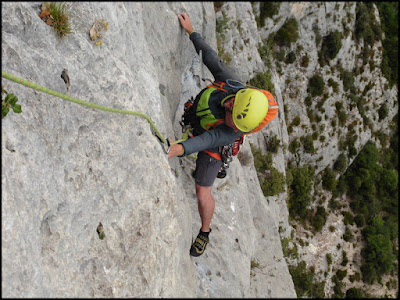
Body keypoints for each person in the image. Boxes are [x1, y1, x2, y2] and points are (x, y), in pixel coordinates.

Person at [169, 12, 278, 257]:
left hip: (212, 148)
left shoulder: (230, 131)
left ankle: (205, 232)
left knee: (202, 190)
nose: (228, 106)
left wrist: (178, 148)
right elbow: (210, 57)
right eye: (232, 104)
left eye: (232, 113)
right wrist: (191, 31)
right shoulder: (232, 82)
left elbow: (207, 141)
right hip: (199, 120)